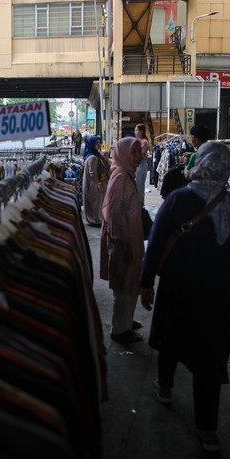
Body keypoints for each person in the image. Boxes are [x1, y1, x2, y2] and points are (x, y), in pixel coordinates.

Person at [140, 142, 230, 453]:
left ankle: (165, 388)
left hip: (179, 288)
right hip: (220, 296)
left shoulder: (178, 200)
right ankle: (207, 430)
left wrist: (146, 282)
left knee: (171, 337)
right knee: (209, 355)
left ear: (201, 163)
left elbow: (155, 244)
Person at [100, 137, 145, 343]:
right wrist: (124, 244)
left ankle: (126, 321)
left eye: (139, 151)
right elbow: (116, 216)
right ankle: (120, 330)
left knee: (129, 283)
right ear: (123, 154)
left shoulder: (126, 175)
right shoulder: (121, 179)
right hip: (124, 241)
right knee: (124, 286)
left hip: (130, 238)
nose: (139, 157)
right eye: (134, 152)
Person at [82, 136, 109, 227]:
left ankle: (97, 218)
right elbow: (92, 173)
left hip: (97, 183)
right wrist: (99, 184)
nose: (99, 144)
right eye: (96, 143)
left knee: (97, 201)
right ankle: (95, 219)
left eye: (99, 142)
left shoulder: (95, 155)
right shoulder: (92, 157)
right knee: (96, 202)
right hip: (95, 184)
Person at [134, 123, 151, 205]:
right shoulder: (136, 141)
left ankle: (140, 205)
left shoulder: (144, 142)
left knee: (139, 185)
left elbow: (139, 153)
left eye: (136, 130)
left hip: (141, 164)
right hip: (135, 164)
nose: (135, 132)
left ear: (141, 131)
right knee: (135, 185)